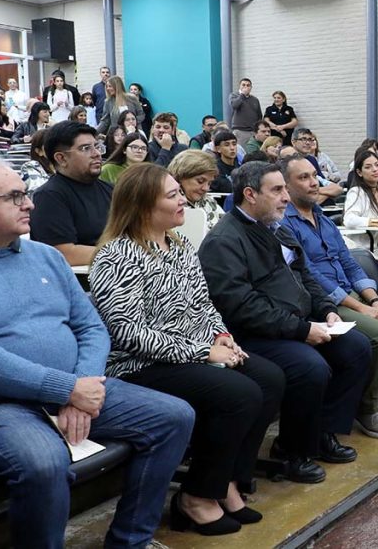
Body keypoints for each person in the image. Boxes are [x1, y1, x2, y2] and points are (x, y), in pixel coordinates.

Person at [0, 156, 194, 548]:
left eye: (26, 195)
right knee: (43, 463)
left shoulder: (45, 257)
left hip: (78, 384)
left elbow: (91, 326)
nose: (30, 204)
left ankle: (130, 540)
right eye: (15, 197)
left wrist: (84, 385)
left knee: (174, 417)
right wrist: (67, 390)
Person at [90, 162, 284, 536]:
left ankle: (227, 481)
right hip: (139, 364)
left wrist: (220, 335)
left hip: (194, 350)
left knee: (270, 378)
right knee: (238, 393)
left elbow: (203, 303)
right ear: (144, 205)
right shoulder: (117, 255)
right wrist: (204, 353)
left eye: (180, 193)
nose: (184, 201)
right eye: (173, 195)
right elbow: (128, 333)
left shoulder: (177, 244)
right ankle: (195, 496)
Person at [198, 161, 371, 482]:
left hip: (295, 321)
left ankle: (323, 433)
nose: (286, 198)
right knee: (309, 367)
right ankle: (292, 450)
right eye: (277, 190)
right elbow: (242, 307)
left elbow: (306, 277)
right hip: (254, 334)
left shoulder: (277, 228)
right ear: (250, 194)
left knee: (357, 347)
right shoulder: (224, 241)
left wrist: (325, 311)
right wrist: (302, 330)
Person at [281, 155, 378, 439]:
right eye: (303, 178)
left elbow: (347, 261)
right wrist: (360, 306)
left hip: (352, 295)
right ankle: (367, 408)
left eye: (314, 176)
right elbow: (311, 276)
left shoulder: (322, 218)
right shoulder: (285, 224)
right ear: (286, 186)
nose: (313, 183)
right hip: (325, 302)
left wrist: (373, 299)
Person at [29, 122, 112, 266]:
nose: (97, 154)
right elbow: (64, 252)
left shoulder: (111, 190)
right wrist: (125, 253)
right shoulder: (48, 197)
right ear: (61, 158)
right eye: (86, 148)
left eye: (97, 146)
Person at [169, 149, 226, 230]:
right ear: (180, 176)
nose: (206, 188)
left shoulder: (209, 202)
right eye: (200, 181)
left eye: (209, 183)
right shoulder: (168, 207)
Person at [229, 78, 263, 148]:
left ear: (251, 87)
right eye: (243, 85)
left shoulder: (255, 100)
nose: (246, 87)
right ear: (239, 86)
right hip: (240, 131)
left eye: (248, 85)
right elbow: (234, 105)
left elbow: (259, 115)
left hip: (252, 131)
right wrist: (242, 95)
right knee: (241, 151)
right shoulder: (234, 96)